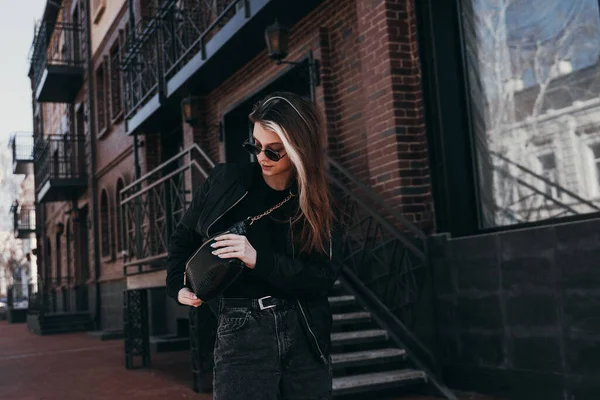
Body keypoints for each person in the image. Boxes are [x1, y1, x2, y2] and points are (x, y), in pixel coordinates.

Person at [166, 91, 343, 400]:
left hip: (304, 329)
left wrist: (257, 259)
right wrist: (176, 286)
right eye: (256, 146)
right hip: (242, 329)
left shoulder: (318, 204)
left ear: (299, 150)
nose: (262, 157)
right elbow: (184, 236)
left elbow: (322, 277)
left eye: (274, 151)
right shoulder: (225, 181)